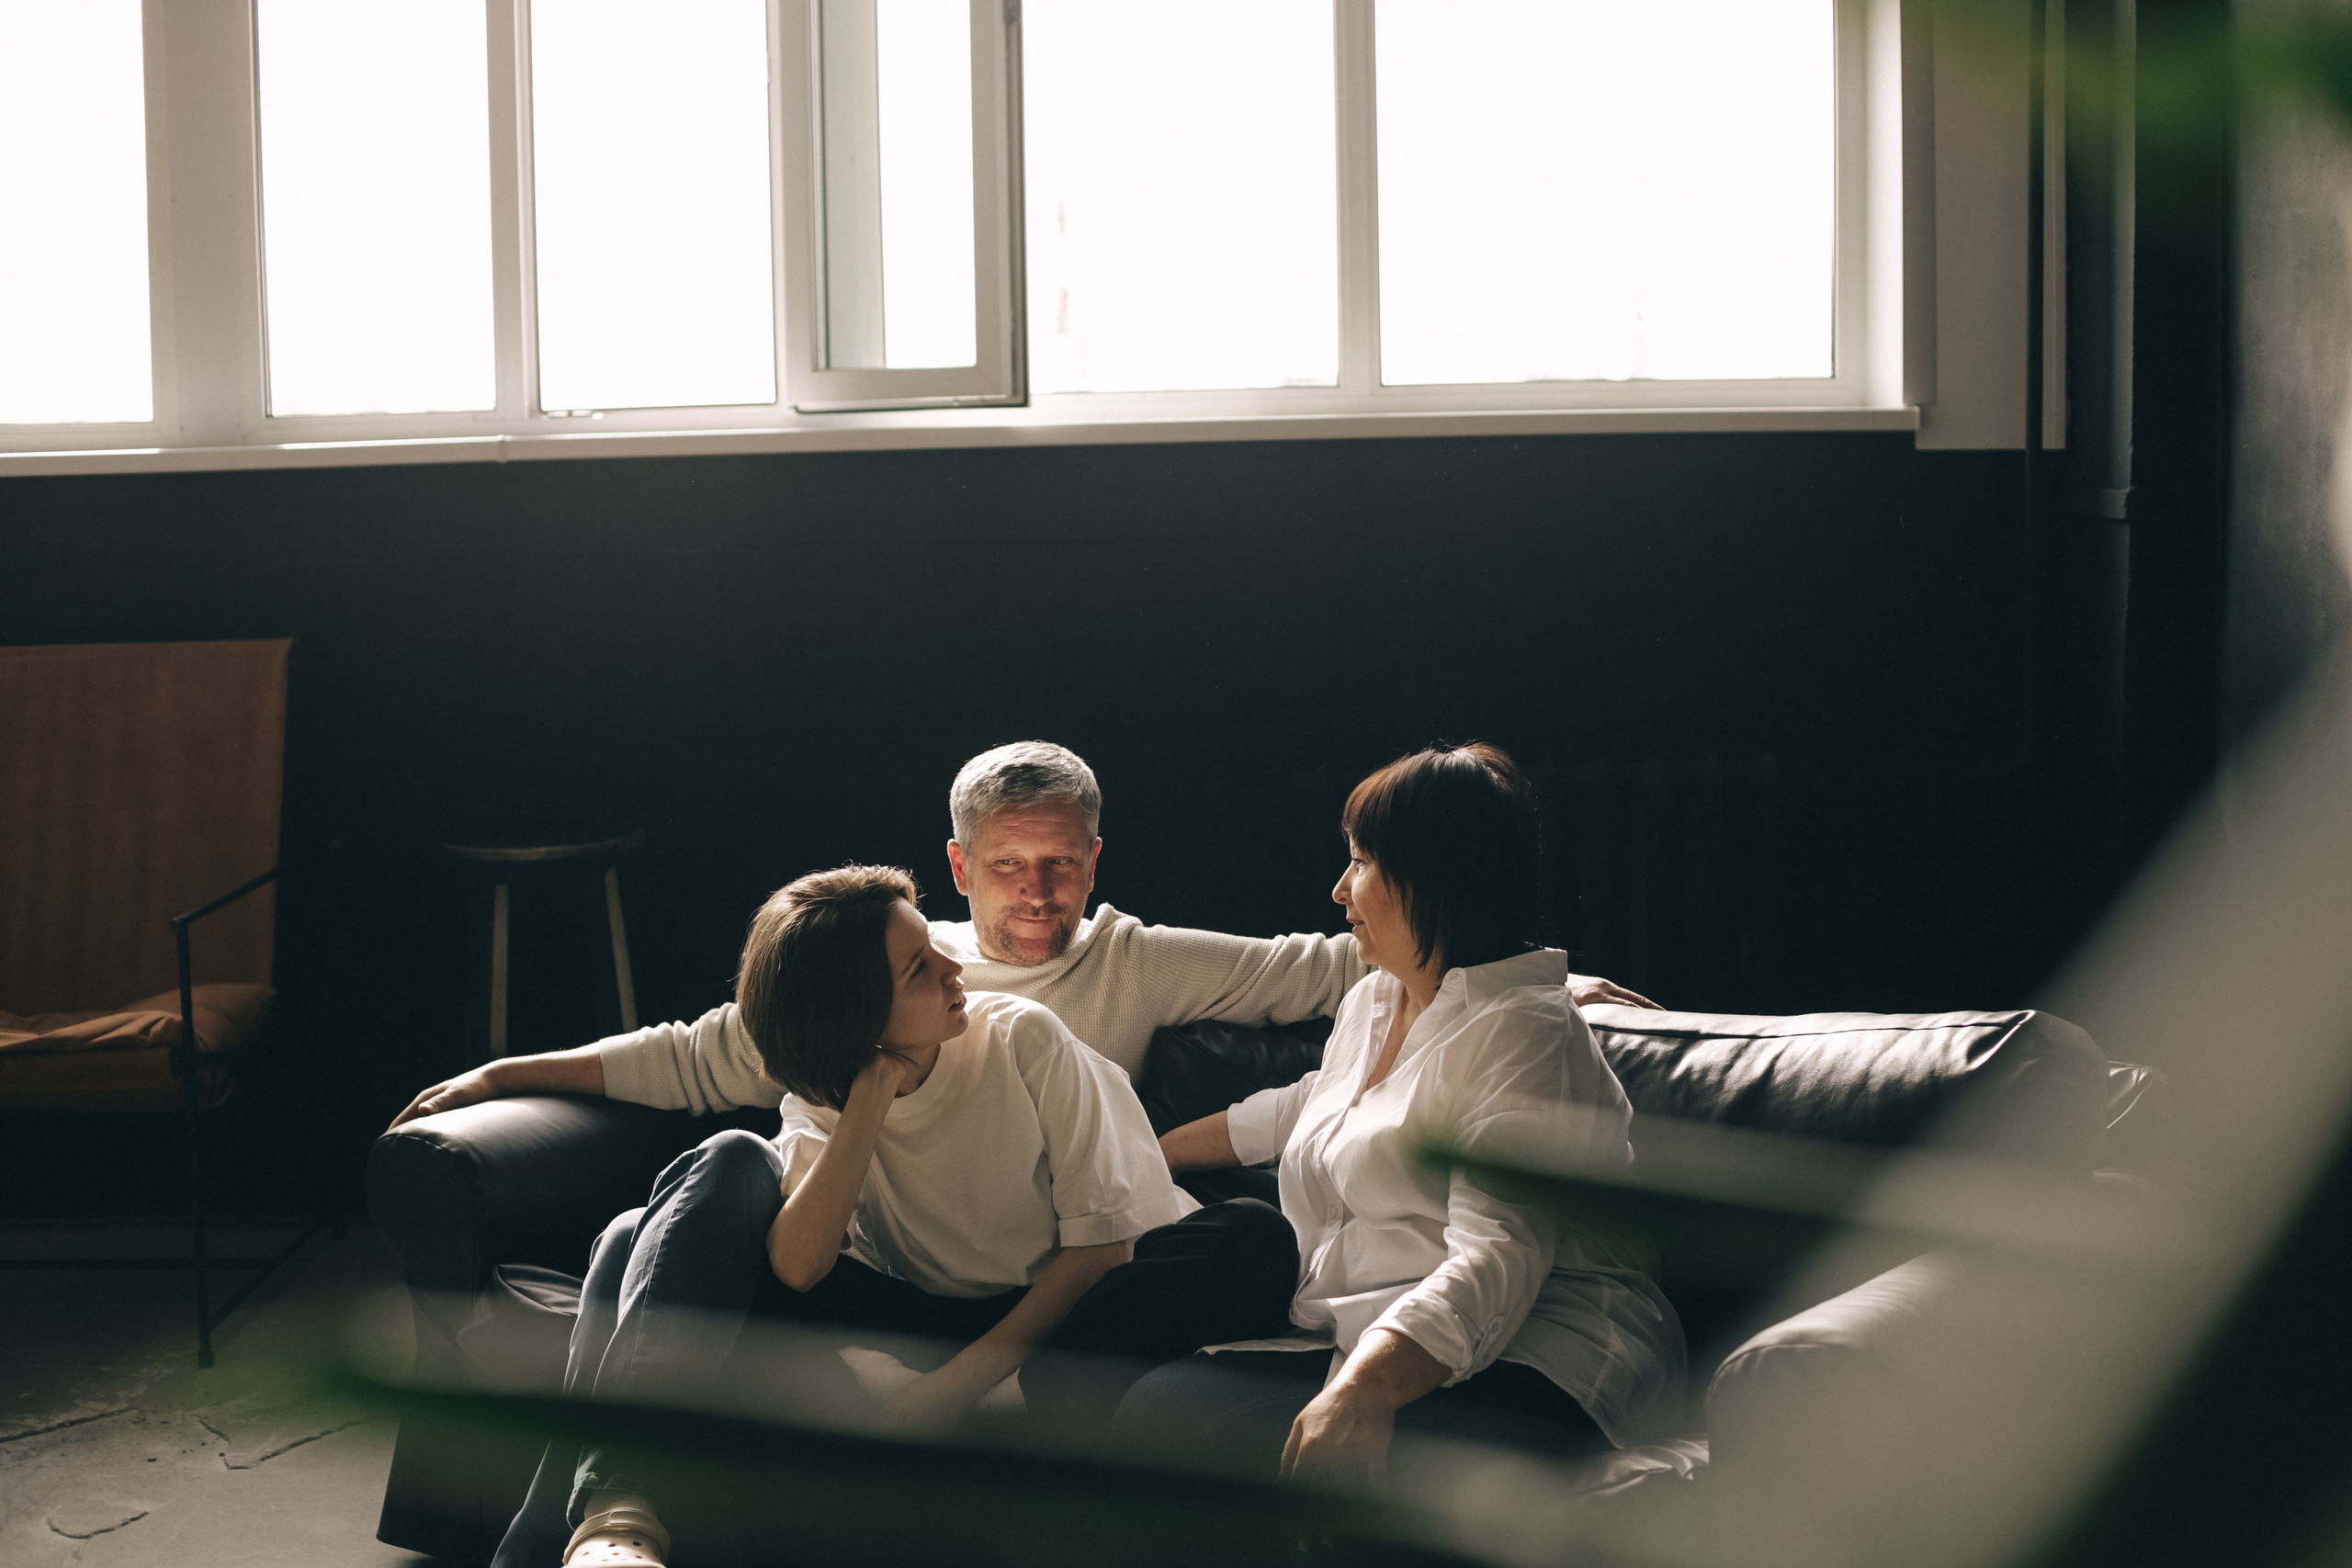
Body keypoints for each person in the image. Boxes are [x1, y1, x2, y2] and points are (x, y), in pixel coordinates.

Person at [495, 865, 1298, 1568]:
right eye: (920, 967)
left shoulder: (1022, 1038)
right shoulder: (830, 1092)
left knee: (1253, 1234)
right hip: (932, 1309)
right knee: (647, 1226)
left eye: (932, 947)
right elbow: (800, 1267)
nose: (955, 967)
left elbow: (1101, 1252)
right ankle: (612, 1524)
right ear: (856, 1016)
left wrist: (951, 1390)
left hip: (1082, 1299)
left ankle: (560, 1539)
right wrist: (872, 1094)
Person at [390, 741, 1656, 1133]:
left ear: (1095, 861)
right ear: (959, 868)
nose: (1038, 892)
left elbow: (1334, 963)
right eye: (1008, 867)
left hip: (1019, 1240)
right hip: (854, 1218)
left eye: (1062, 865)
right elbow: (698, 1051)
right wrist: (506, 1072)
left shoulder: (1136, 956)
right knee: (692, 1192)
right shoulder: (896, 958)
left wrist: (1548, 980)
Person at [1133, 744, 1687, 1483]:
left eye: (1361, 862)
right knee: (1155, 1404)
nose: (1339, 889)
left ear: (1438, 879)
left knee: (1195, 1432)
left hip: (1544, 1349)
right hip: (1371, 1327)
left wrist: (1363, 1389)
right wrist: (1154, 1153)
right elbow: (1310, 1104)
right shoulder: (1376, 996)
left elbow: (1497, 1256)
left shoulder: (1526, 1035)